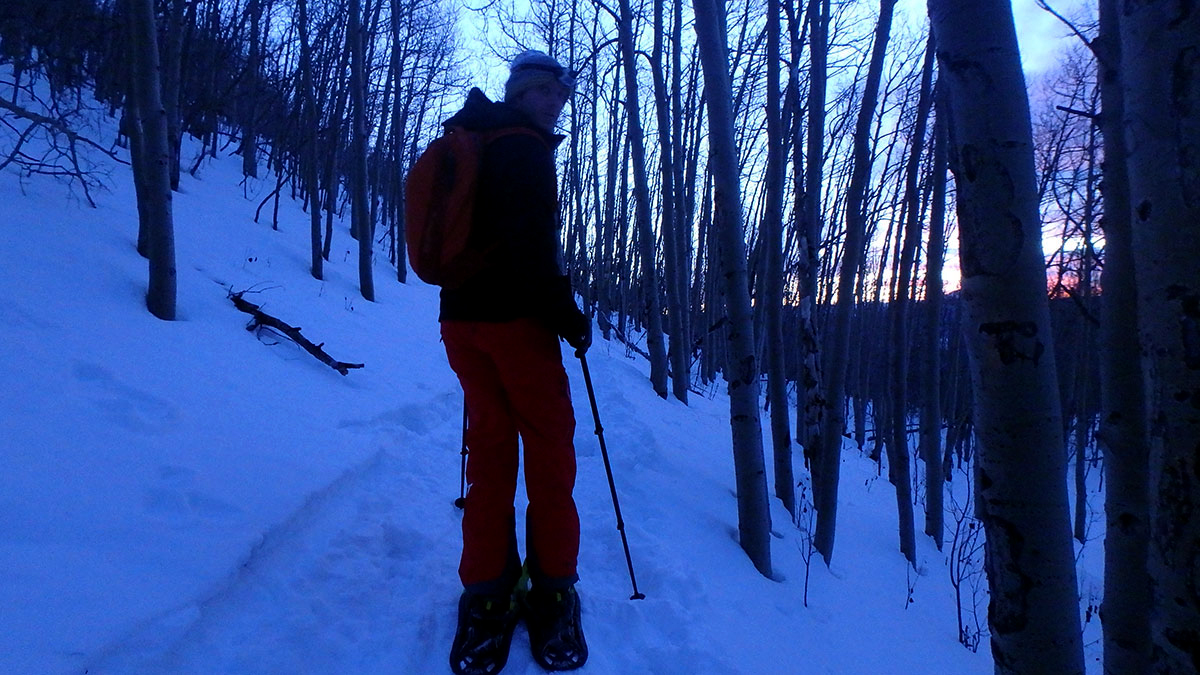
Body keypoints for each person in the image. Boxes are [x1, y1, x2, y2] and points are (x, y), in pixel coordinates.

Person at [440, 50, 591, 675]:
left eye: (562, 96)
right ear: (523, 92)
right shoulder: (524, 147)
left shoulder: (469, 137)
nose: (555, 103)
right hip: (515, 328)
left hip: (460, 324)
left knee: (493, 456)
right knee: (551, 458)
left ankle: (486, 594)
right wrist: (568, 316)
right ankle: (552, 591)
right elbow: (531, 249)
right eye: (546, 92)